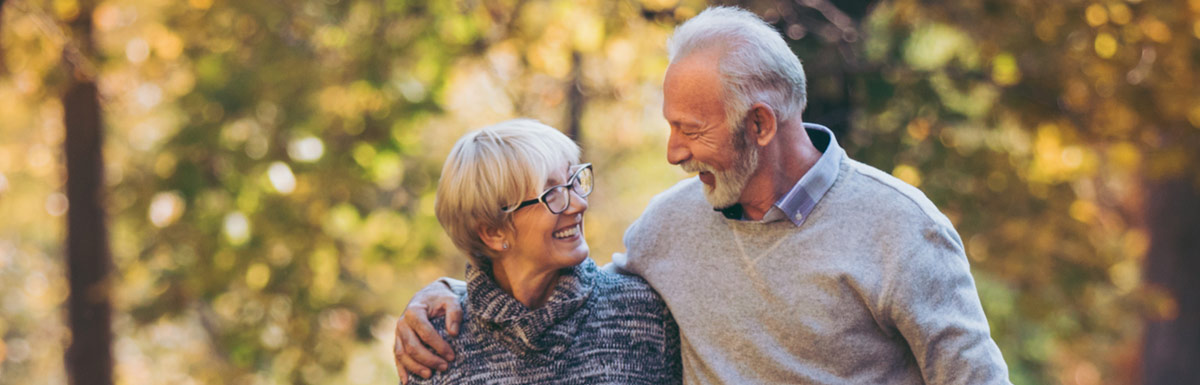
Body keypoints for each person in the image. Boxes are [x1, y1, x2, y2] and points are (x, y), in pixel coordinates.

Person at [396, 6, 1010, 384]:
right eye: (670, 126)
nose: (673, 153)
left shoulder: (900, 230)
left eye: (691, 131)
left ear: (761, 125)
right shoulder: (668, 227)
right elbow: (568, 297)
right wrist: (450, 293)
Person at [402, 119, 682, 384]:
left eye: (573, 182)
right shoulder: (433, 345)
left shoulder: (642, 312)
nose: (578, 204)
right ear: (493, 232)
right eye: (552, 193)